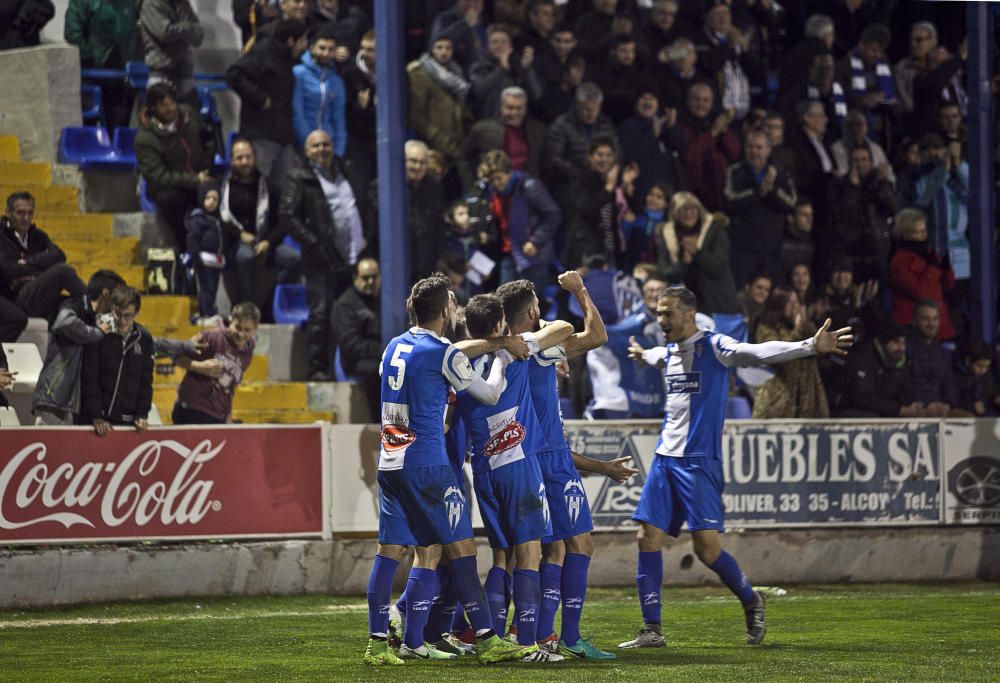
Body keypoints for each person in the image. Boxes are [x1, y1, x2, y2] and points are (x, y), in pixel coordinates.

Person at [620, 286, 852, 649]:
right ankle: (652, 629)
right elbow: (655, 356)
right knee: (646, 536)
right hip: (666, 460)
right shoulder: (668, 352)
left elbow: (757, 351)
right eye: (659, 313)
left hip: (699, 464)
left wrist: (808, 346)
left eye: (667, 314)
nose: (660, 320)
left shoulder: (714, 347)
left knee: (706, 550)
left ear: (688, 315)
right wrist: (641, 353)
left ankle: (750, 599)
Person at [363, 272, 537, 666]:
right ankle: (488, 639)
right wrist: (504, 356)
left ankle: (384, 643)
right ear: (446, 310)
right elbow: (489, 392)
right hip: (427, 464)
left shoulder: (393, 346)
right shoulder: (444, 352)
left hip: (390, 460)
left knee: (394, 550)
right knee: (463, 549)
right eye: (453, 305)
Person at [496, 273, 623, 659]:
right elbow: (597, 335)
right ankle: (565, 635)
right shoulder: (542, 348)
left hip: (521, 458)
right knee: (578, 545)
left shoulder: (505, 353)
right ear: (532, 310)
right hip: (552, 457)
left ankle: (533, 630)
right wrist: (580, 291)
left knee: (536, 551)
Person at [455, 293, 574, 661]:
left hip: (485, 470)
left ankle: (490, 638)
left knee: (501, 555)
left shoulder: (458, 364)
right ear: (499, 325)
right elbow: (566, 327)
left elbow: (458, 347)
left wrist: (493, 340)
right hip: (518, 463)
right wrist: (509, 342)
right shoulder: (516, 350)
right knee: (529, 554)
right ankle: (528, 643)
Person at [280, 129, 367, 381]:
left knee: (351, 315)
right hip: (320, 260)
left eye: (326, 144)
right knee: (321, 314)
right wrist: (315, 245)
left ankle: (351, 369)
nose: (322, 149)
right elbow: (288, 216)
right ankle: (318, 370)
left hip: (352, 259)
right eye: (316, 145)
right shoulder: (299, 177)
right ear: (307, 151)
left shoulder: (346, 170)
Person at [32, 269, 125, 425]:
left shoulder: (98, 319)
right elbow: (64, 323)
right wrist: (98, 332)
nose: (118, 302)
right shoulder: (74, 306)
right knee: (53, 447)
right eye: (117, 296)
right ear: (106, 293)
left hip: (77, 403)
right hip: (54, 396)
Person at [226, 18, 309, 183]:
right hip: (261, 132)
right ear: (290, 41)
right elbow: (234, 75)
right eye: (302, 40)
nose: (304, 45)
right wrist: (260, 98)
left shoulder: (290, 59)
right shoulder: (263, 53)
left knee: (287, 187)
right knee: (259, 184)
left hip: (283, 134)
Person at [135, 83, 215, 253]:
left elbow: (207, 139)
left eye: (172, 103)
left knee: (219, 193)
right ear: (153, 107)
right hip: (172, 186)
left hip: (200, 176)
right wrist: (194, 180)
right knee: (168, 199)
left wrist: (207, 164)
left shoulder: (189, 114)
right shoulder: (145, 138)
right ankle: (185, 247)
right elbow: (158, 177)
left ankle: (216, 246)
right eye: (164, 105)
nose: (170, 109)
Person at [218, 138, 296, 309]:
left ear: (254, 158)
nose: (244, 162)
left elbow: (283, 223)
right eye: (239, 158)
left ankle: (274, 302)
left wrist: (268, 241)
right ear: (232, 160)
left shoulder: (270, 186)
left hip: (267, 241)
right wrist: (239, 234)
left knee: (294, 258)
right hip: (237, 242)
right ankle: (245, 307)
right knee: (245, 257)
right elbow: (220, 219)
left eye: (248, 157)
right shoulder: (224, 187)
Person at [0, 191, 86, 335]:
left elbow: (59, 255)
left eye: (30, 213)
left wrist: (26, 262)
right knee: (62, 271)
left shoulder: (38, 236)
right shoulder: (2, 236)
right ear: (8, 213)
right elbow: (8, 269)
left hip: (39, 292)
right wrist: (41, 263)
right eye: (20, 213)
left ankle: (95, 314)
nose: (26, 218)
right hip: (16, 297)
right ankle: (93, 304)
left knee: (73, 303)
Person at [723, 129, 798, 287]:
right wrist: (757, 192)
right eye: (750, 147)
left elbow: (791, 203)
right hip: (742, 248)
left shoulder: (780, 174)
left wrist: (771, 191)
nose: (754, 152)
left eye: (759, 147)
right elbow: (729, 201)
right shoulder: (734, 172)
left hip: (771, 248)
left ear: (768, 150)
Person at [479, 149, 561, 291]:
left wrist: (535, 241)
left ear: (509, 172)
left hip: (534, 256)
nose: (496, 183)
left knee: (533, 303)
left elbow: (553, 215)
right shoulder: (492, 193)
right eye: (493, 179)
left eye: (499, 178)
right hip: (508, 253)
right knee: (505, 300)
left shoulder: (529, 186)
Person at [587, 277, 667, 419]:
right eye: (650, 290)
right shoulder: (635, 320)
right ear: (642, 295)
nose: (654, 294)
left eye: (659, 290)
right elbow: (608, 334)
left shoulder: (680, 321)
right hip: (644, 390)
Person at [79, 286, 154, 436]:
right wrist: (96, 415)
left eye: (128, 316)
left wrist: (141, 414)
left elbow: (146, 381)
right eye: (117, 314)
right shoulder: (99, 331)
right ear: (112, 309)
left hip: (128, 422)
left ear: (136, 313)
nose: (122, 320)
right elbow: (90, 376)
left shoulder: (144, 337)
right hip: (97, 420)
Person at [172, 302, 260, 424]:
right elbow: (177, 356)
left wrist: (228, 415)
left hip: (218, 415)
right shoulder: (211, 337)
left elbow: (231, 386)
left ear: (255, 329)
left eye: (247, 330)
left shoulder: (247, 354)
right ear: (231, 321)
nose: (241, 334)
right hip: (192, 409)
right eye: (238, 327)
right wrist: (200, 367)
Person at [656, 191, 738, 316]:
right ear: (675, 213)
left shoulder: (715, 229)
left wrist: (698, 254)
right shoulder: (666, 234)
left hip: (717, 302)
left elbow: (719, 267)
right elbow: (665, 274)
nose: (689, 214)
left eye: (693, 208)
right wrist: (683, 263)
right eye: (683, 210)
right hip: (684, 306)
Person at [752, 288, 828, 418]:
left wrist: (806, 325)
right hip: (777, 402)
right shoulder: (766, 327)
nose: (795, 307)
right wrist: (797, 330)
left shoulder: (805, 327)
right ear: (778, 305)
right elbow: (777, 357)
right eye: (789, 303)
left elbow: (821, 351)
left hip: (808, 400)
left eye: (797, 302)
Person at [827, 144, 896, 285]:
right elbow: (841, 214)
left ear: (871, 162)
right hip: (850, 252)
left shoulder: (881, 183)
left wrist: (880, 181)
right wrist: (852, 187)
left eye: (864, 160)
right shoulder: (838, 185)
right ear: (849, 162)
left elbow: (893, 207)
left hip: (877, 251)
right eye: (855, 160)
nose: (860, 164)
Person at [64, 0, 137, 130]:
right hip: (91, 76)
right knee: (89, 130)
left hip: (122, 77)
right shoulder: (83, 2)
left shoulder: (129, 3)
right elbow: (72, 33)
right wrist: (91, 57)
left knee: (119, 130)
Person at [407, 34, 471, 176]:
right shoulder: (419, 74)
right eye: (439, 47)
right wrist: (437, 137)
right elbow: (415, 115)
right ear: (431, 49)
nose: (444, 52)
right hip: (433, 145)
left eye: (448, 48)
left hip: (455, 142)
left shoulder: (456, 74)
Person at [459, 86, 546, 189]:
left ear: (525, 109)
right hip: (491, 189)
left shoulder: (538, 130)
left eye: (519, 108)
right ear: (501, 107)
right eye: (510, 108)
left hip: (525, 190)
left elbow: (545, 164)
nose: (514, 113)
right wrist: (472, 186)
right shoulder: (483, 129)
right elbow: (463, 158)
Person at [888, 207, 954, 341]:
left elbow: (948, 285)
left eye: (924, 231)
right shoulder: (898, 262)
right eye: (917, 232)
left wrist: (947, 270)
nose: (923, 236)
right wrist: (933, 268)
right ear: (904, 234)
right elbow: (920, 292)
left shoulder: (928, 253)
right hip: (913, 326)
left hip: (938, 323)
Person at [672, 82, 741, 212]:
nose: (701, 104)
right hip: (691, 193)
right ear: (688, 101)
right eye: (696, 99)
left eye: (705, 100)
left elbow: (735, 153)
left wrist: (724, 130)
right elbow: (689, 154)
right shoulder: (679, 126)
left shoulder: (717, 122)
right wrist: (713, 133)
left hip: (719, 192)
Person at [831, 320, 919, 418]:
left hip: (883, 412)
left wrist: (916, 406)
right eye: (896, 342)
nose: (901, 348)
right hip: (848, 411)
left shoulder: (901, 361)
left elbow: (905, 392)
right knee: (871, 416)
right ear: (884, 342)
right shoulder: (864, 357)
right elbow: (863, 398)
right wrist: (898, 410)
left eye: (903, 343)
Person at [561, 136, 622, 269]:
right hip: (584, 248)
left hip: (608, 248)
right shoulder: (579, 179)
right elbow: (588, 209)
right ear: (590, 157)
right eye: (599, 155)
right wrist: (608, 189)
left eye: (608, 155)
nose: (604, 159)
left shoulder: (611, 181)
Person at [543, 82, 619, 189]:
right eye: (586, 109)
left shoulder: (606, 124)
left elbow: (617, 152)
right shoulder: (561, 126)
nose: (591, 114)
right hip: (570, 185)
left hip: (602, 180)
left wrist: (609, 168)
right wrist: (579, 173)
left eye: (595, 109)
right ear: (577, 105)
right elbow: (553, 159)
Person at [331, 257, 381, 420]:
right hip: (356, 361)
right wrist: (382, 350)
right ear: (355, 279)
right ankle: (380, 422)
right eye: (365, 277)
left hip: (380, 355)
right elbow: (351, 345)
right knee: (380, 371)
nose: (371, 281)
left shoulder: (383, 300)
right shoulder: (345, 305)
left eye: (374, 276)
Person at [292, 24, 348, 155]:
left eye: (331, 49)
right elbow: (297, 111)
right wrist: (309, 144)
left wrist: (339, 150)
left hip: (328, 145)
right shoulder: (299, 73)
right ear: (312, 48)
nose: (326, 53)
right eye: (322, 48)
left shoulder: (336, 81)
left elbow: (339, 119)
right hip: (304, 145)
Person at [468, 23, 541, 120]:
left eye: (503, 42)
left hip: (516, 123)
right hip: (489, 124)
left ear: (510, 46)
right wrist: (501, 68)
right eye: (494, 42)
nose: (499, 45)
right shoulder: (479, 67)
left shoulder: (517, 68)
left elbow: (536, 94)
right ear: (487, 46)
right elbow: (479, 92)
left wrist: (527, 69)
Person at [137, 0, 203, 106]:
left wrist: (180, 29)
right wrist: (187, 27)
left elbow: (199, 35)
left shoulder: (182, 3)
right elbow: (165, 33)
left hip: (185, 74)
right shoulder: (150, 3)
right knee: (161, 120)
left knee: (191, 118)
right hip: (161, 74)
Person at [185, 182, 229, 320]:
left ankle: (210, 309)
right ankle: (205, 312)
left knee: (213, 288)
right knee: (206, 288)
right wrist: (195, 254)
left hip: (216, 261)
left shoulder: (217, 220)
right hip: (203, 260)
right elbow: (193, 238)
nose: (211, 202)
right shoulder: (198, 219)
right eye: (208, 198)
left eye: (215, 199)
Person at [907, 299, 956, 417]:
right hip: (914, 409)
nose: (931, 324)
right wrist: (925, 406)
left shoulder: (943, 352)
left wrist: (948, 404)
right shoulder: (905, 349)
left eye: (935, 319)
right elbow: (904, 385)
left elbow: (949, 384)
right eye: (925, 319)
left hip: (940, 409)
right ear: (914, 321)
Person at [340, 30, 376, 188]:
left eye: (372, 50)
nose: (366, 54)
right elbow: (345, 109)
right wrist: (360, 107)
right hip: (358, 139)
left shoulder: (392, 72)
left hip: (383, 137)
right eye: (364, 49)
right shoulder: (350, 73)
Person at [956, 342, 999, 418]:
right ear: (968, 361)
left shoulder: (988, 378)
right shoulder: (957, 378)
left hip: (984, 422)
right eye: (979, 365)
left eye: (986, 366)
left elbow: (995, 393)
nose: (983, 370)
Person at [779, 199, 816, 276]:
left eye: (811, 215)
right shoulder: (778, 242)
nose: (810, 219)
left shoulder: (810, 243)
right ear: (790, 218)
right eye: (804, 215)